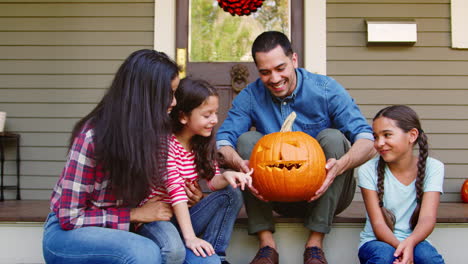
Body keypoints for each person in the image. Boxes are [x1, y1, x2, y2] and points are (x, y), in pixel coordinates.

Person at [216, 31, 376, 264]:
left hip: (327, 194)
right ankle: (266, 245)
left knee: (333, 138)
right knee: (245, 142)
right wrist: (238, 162)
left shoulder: (325, 89)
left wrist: (339, 166)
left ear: (294, 60)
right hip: (273, 195)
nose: (274, 78)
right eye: (265, 72)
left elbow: (367, 140)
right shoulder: (251, 96)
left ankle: (315, 244)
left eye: (280, 68)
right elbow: (223, 143)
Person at [42, 49, 188, 263]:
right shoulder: (93, 137)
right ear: (145, 95)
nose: (174, 102)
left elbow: (168, 183)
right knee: (143, 252)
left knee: (191, 256)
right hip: (68, 233)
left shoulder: (154, 132)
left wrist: (194, 194)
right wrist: (134, 214)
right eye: (169, 94)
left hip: (127, 224)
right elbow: (69, 217)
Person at [138, 77, 253, 264]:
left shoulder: (201, 143)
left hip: (186, 217)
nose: (214, 120)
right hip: (157, 219)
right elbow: (175, 191)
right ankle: (191, 246)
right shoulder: (164, 144)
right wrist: (190, 237)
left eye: (215, 113)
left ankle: (216, 255)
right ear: (183, 116)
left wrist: (227, 175)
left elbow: (213, 182)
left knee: (232, 193)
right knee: (174, 249)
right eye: (207, 115)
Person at [357, 105, 445, 264]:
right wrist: (401, 249)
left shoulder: (434, 168)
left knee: (427, 257)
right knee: (385, 256)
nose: (379, 143)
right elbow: (378, 224)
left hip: (415, 240)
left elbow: (427, 218)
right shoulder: (367, 170)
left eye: (387, 135)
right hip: (376, 241)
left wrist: (409, 244)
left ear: (412, 136)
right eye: (375, 137)